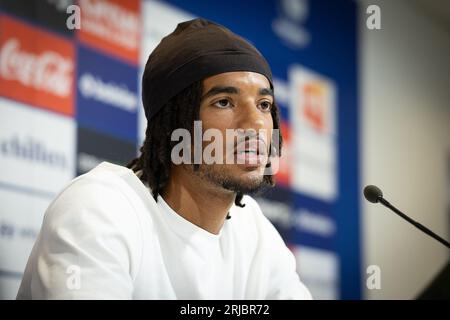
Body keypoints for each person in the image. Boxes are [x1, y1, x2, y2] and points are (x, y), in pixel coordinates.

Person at [16, 18, 312, 300]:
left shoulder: (254, 229)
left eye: (264, 105)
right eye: (223, 102)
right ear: (174, 125)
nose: (256, 125)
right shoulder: (99, 208)